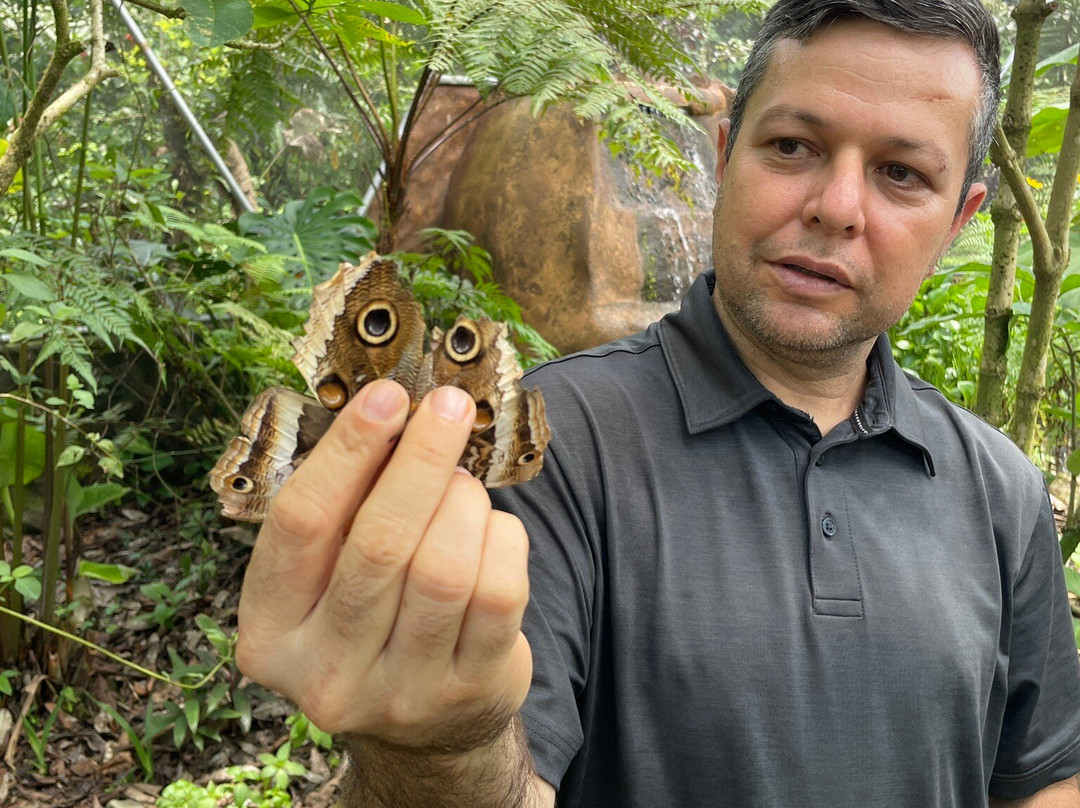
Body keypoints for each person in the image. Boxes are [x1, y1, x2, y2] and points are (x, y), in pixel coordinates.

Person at [233, 0, 1080, 805]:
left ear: (962, 217)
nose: (836, 209)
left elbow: (1041, 778)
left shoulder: (1000, 489)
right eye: (792, 147)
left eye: (901, 174)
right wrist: (440, 745)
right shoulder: (549, 443)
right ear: (724, 152)